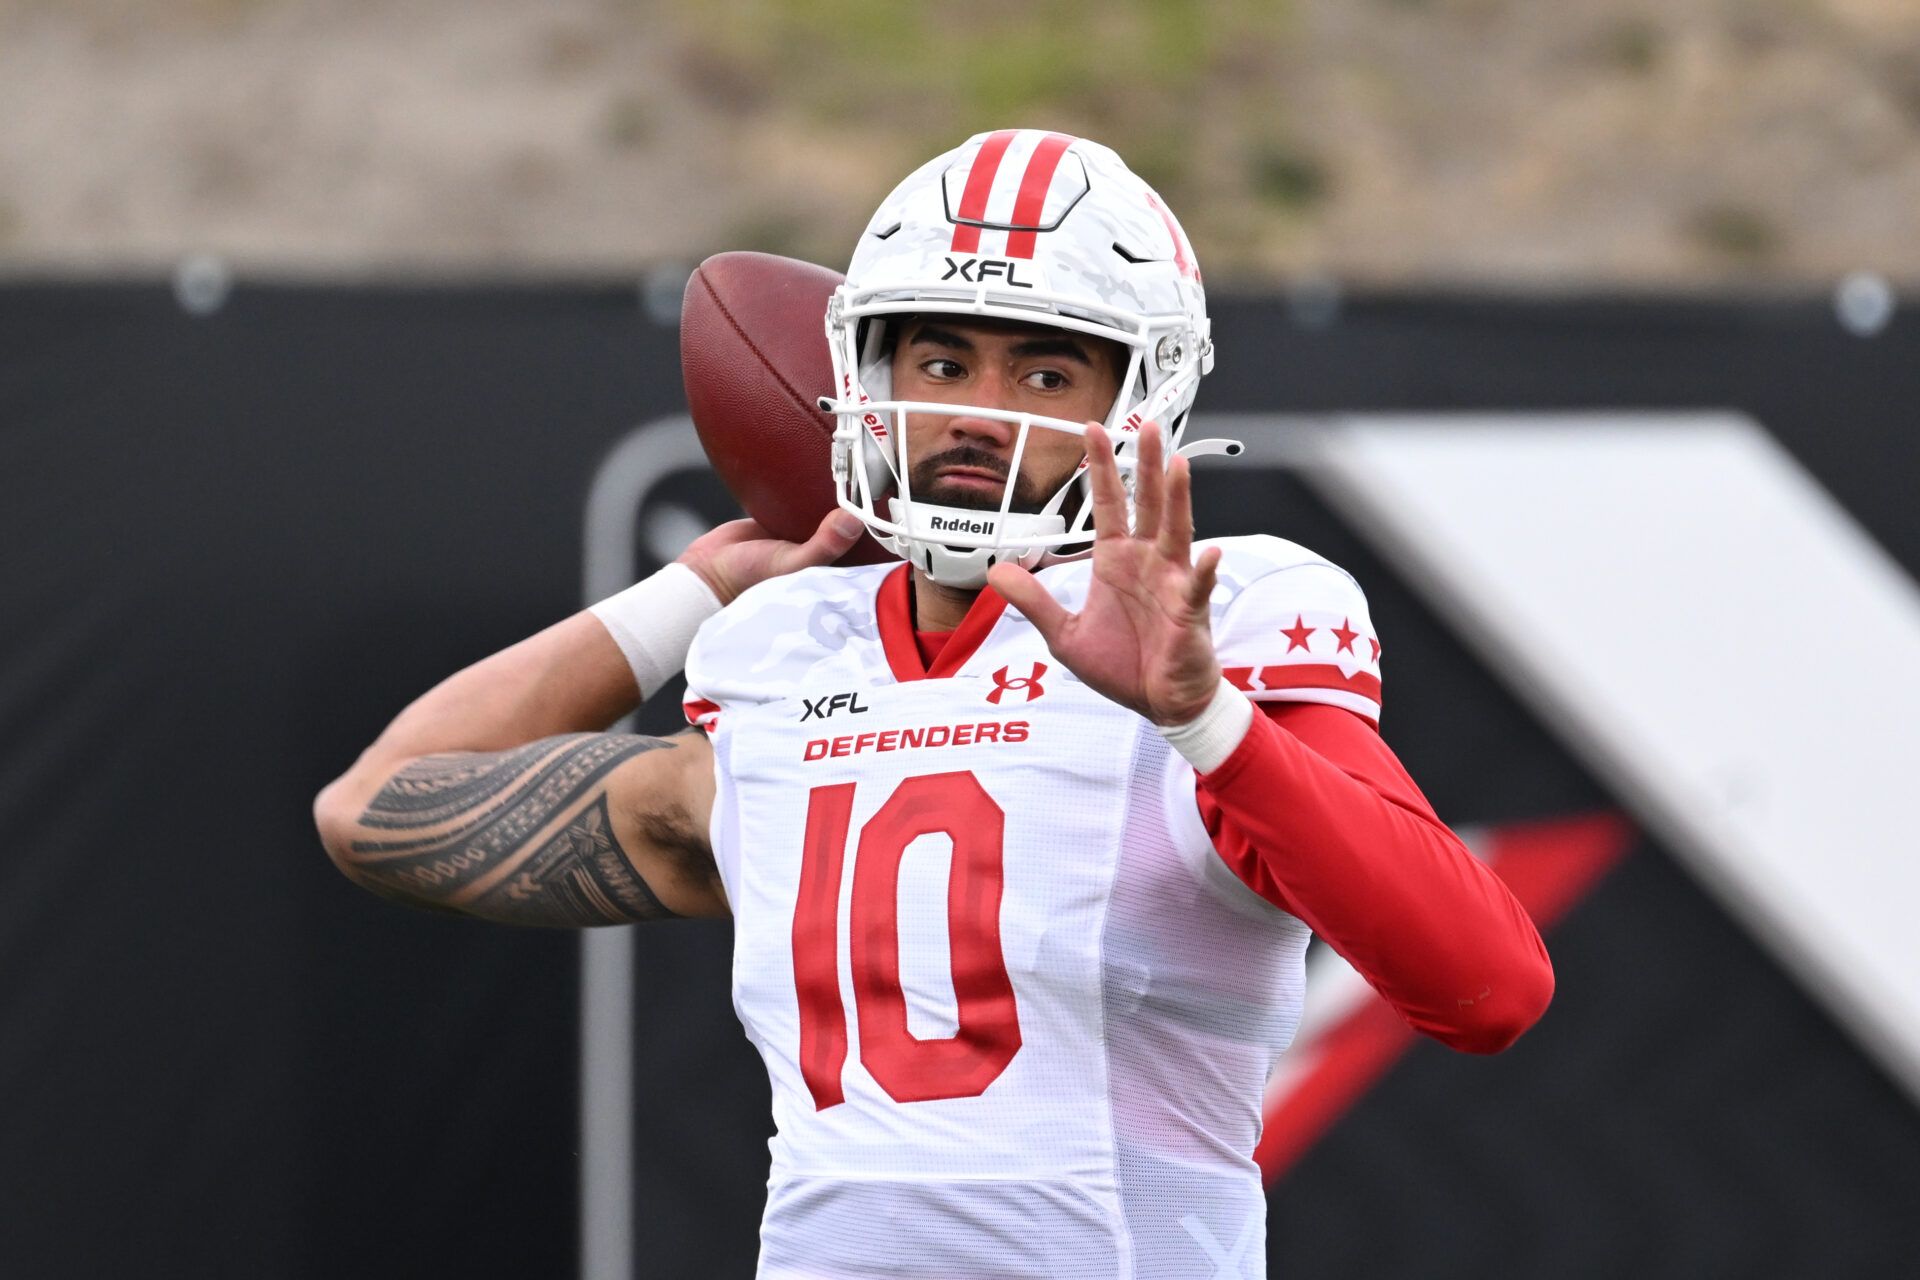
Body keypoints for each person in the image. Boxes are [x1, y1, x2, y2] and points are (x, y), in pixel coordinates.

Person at [314, 129, 1552, 1279]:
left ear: (1142, 405)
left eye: (1047, 368)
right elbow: (372, 809)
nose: (975, 409)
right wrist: (694, 586)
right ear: (862, 370)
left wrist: (1201, 716)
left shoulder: (1224, 621)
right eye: (942, 356)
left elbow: (1488, 986)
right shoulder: (778, 657)